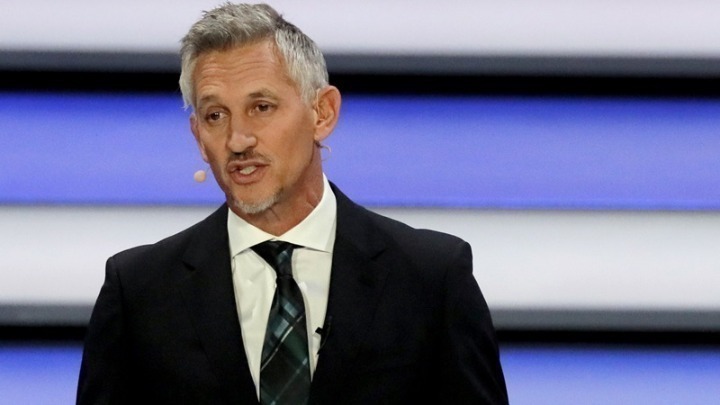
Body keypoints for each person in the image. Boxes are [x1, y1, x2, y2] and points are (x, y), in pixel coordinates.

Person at [76, 3, 508, 404]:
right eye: (215, 116)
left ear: (323, 113)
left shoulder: (430, 279)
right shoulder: (139, 292)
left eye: (261, 107)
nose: (238, 140)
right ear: (198, 137)